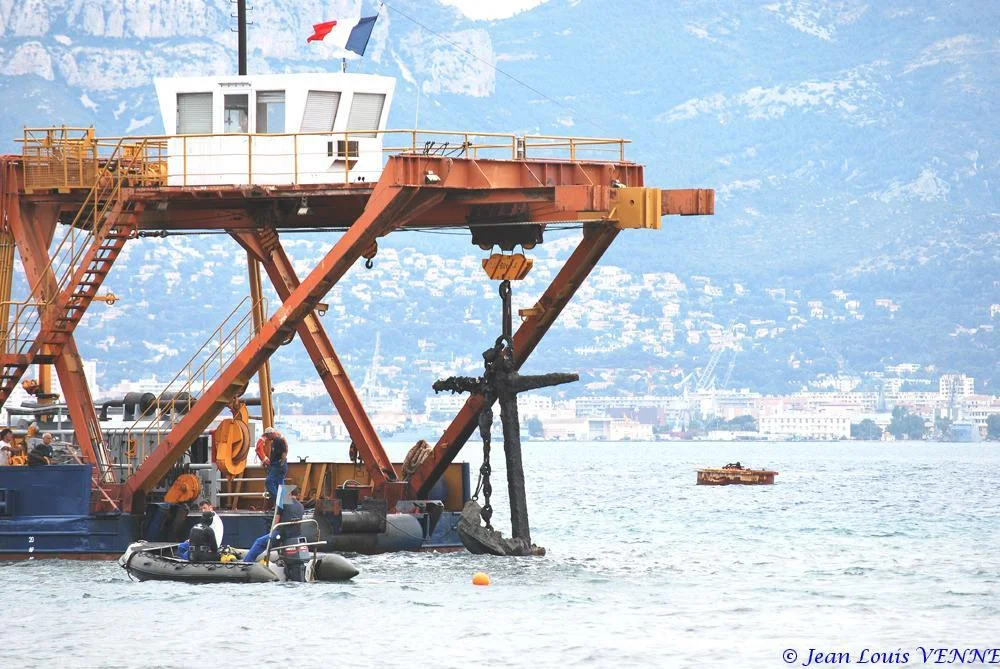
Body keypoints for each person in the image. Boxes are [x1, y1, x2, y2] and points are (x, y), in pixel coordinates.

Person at [242, 487, 304, 563]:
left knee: (260, 542)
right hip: (295, 534)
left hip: (282, 534)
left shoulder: (283, 503)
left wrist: (272, 533)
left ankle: (246, 562)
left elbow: (276, 521)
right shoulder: (301, 506)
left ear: (289, 493)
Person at [264, 436, 289, 504]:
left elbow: (284, 452)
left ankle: (279, 501)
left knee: (269, 482)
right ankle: (282, 503)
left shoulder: (279, 441)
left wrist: (281, 463)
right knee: (280, 484)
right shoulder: (274, 443)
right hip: (277, 465)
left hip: (278, 466)